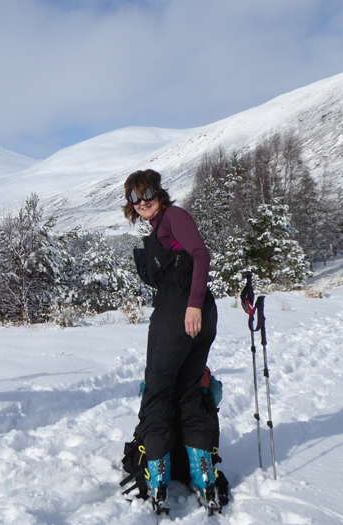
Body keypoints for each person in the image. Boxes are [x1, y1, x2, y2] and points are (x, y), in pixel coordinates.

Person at [123, 169, 220, 513]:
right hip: (198, 314)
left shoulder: (174, 216)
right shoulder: (159, 227)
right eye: (135, 197)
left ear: (159, 191)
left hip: (182, 312)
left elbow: (201, 254)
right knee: (188, 391)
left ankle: (158, 479)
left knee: (157, 393)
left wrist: (191, 305)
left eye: (147, 192)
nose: (143, 201)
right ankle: (203, 477)